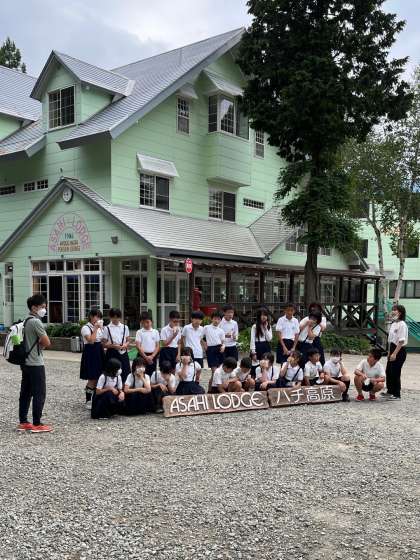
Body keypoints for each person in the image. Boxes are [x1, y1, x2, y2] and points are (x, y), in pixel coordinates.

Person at [18, 294, 52, 433]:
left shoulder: (25, 320)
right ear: (34, 308)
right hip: (35, 363)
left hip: (25, 362)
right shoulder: (36, 322)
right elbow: (47, 342)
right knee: (39, 393)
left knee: (25, 392)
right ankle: (37, 423)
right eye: (42, 307)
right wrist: (41, 345)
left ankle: (23, 421)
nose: (44, 310)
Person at [80, 308, 105, 409]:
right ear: (91, 316)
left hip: (99, 352)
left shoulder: (100, 328)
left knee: (100, 376)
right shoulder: (85, 328)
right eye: (96, 316)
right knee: (92, 378)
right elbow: (91, 341)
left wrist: (102, 329)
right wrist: (95, 328)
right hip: (90, 353)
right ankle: (88, 400)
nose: (97, 319)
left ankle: (96, 398)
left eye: (99, 317)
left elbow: (102, 340)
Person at [384, 304, 408, 400]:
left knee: (395, 372)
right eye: (392, 310)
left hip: (399, 350)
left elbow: (401, 341)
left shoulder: (402, 324)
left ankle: (397, 394)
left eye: (395, 310)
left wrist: (395, 353)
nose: (393, 312)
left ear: (400, 313)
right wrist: (389, 352)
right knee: (388, 371)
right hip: (392, 348)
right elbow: (390, 340)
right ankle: (390, 391)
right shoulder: (393, 324)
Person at [102, 308, 130, 383]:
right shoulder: (107, 328)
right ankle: (111, 387)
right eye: (113, 317)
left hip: (123, 351)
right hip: (112, 352)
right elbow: (103, 344)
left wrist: (125, 345)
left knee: (125, 371)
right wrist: (113, 346)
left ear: (120, 317)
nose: (115, 319)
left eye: (117, 317)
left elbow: (128, 340)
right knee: (112, 372)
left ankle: (124, 388)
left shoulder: (125, 327)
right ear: (110, 317)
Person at [135, 312, 160, 377]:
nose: (146, 324)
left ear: (151, 321)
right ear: (141, 323)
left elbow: (157, 346)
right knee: (141, 373)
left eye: (147, 322)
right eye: (143, 323)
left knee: (152, 374)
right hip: (142, 356)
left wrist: (152, 356)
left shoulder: (155, 332)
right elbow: (138, 346)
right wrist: (145, 357)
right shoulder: (139, 332)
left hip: (152, 356)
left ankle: (150, 384)